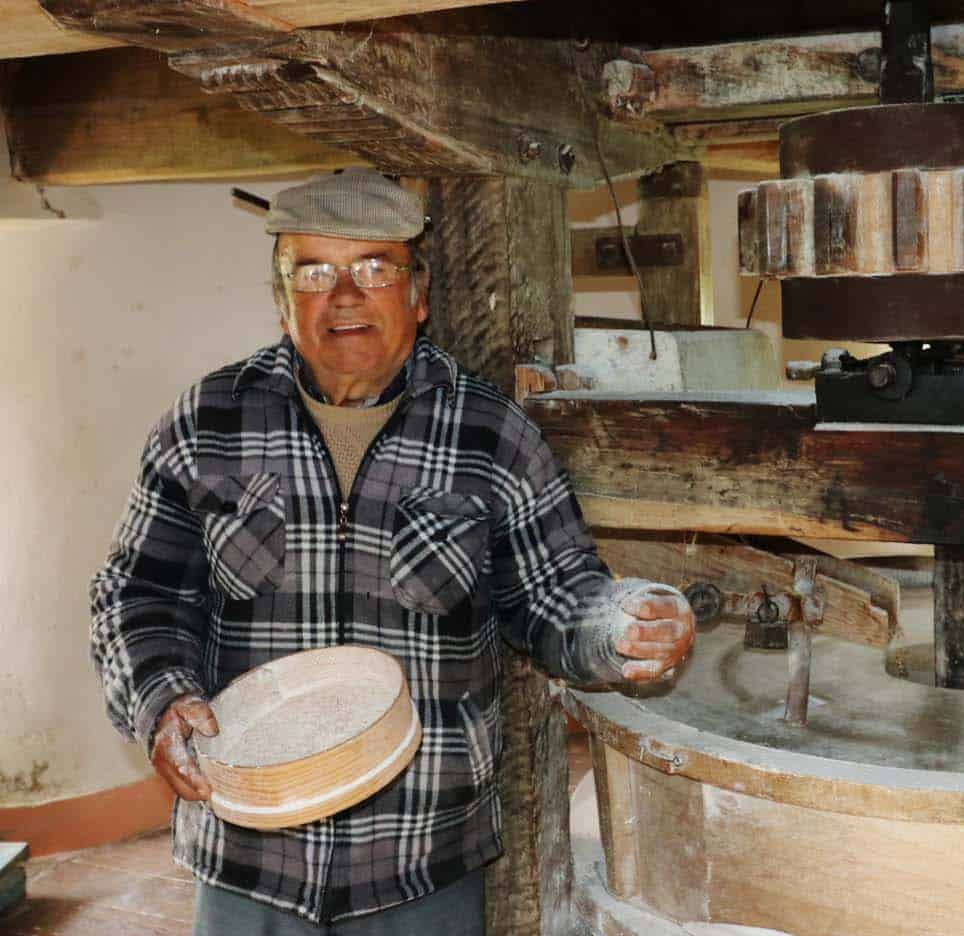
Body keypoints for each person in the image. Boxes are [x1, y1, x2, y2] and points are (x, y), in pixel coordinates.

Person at [89, 169, 695, 935]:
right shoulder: (207, 422)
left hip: (420, 859)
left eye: (375, 268)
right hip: (249, 850)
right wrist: (161, 696)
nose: (345, 295)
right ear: (282, 299)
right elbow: (135, 593)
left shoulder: (489, 433)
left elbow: (557, 590)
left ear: (419, 294)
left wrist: (623, 624)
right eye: (314, 271)